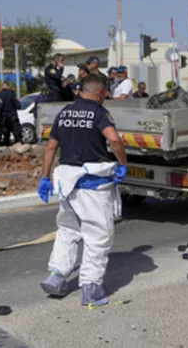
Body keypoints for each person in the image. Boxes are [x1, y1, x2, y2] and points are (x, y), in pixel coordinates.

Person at [38, 75, 128, 307]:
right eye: (106, 94)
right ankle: (90, 287)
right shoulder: (99, 114)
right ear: (99, 93)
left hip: (68, 185)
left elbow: (50, 147)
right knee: (98, 235)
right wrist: (123, 163)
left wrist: (44, 178)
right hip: (93, 186)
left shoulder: (65, 112)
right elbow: (115, 140)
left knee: (68, 230)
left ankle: (56, 276)